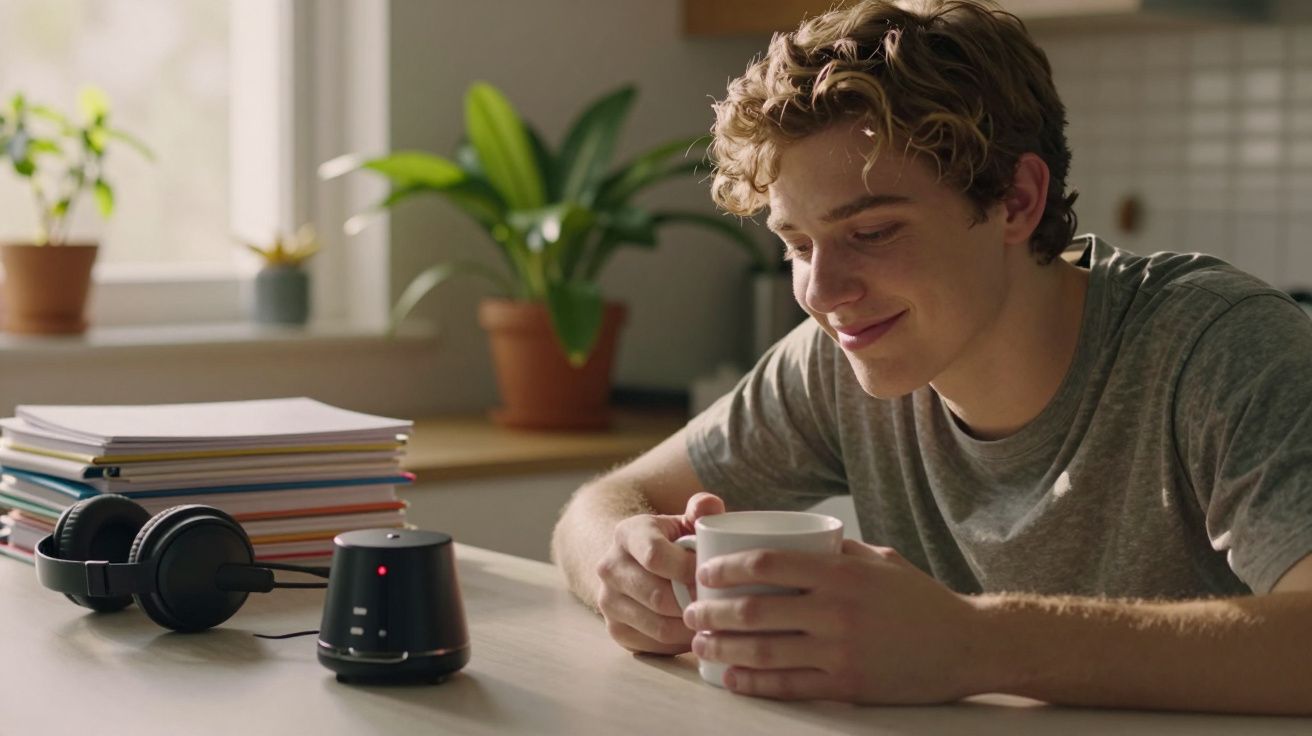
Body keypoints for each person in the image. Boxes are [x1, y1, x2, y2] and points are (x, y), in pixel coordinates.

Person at [551, 0, 1312, 715]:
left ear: (1016, 200)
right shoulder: (835, 362)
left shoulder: (1217, 347)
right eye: (796, 244)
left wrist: (975, 644)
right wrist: (623, 568)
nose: (822, 291)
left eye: (873, 232)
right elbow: (607, 503)